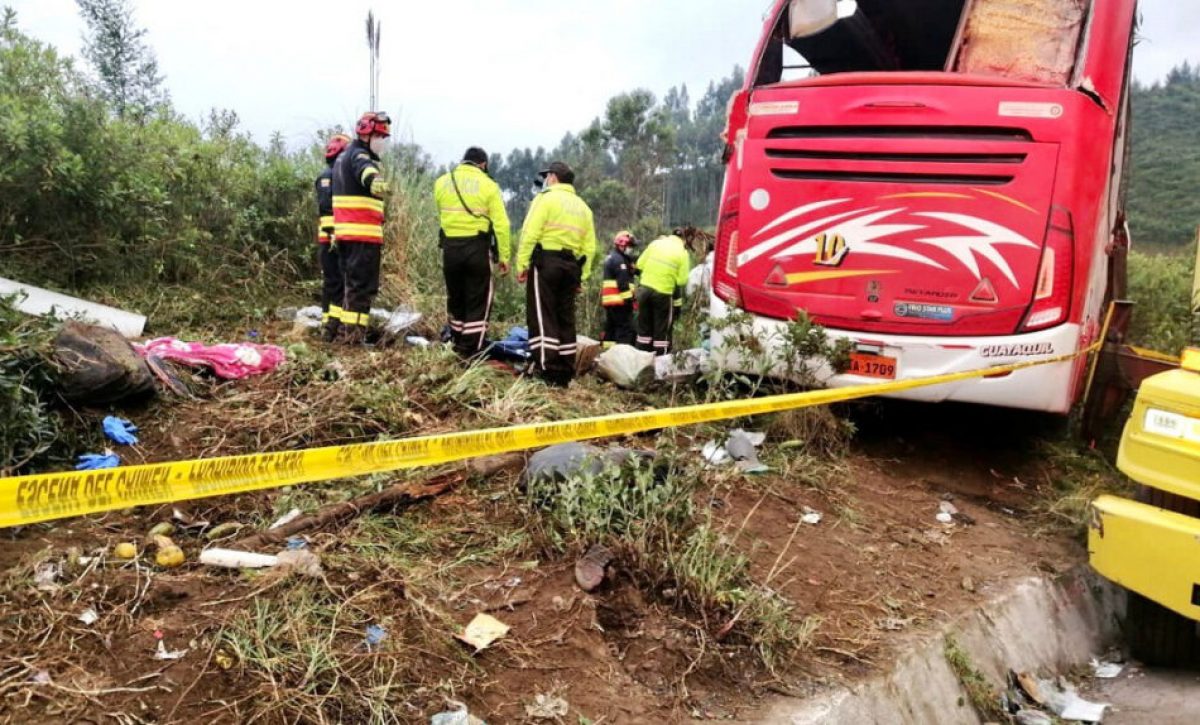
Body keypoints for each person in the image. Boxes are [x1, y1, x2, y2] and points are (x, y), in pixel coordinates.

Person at [516, 161, 597, 386]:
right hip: (571, 266)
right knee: (565, 317)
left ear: (553, 177)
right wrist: (582, 276)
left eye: (546, 177)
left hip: (546, 263)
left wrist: (522, 265)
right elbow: (590, 248)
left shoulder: (545, 199)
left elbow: (529, 234)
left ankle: (546, 366)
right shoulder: (584, 208)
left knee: (543, 315)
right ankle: (565, 369)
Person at [433, 147, 512, 357]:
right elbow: (502, 225)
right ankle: (470, 351)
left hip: (450, 249)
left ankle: (457, 342)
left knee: (456, 297)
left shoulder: (441, 182)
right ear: (483, 164)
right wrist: (504, 256)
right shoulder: (489, 185)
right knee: (478, 299)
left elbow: (441, 215)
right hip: (477, 248)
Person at [332, 111, 391, 343]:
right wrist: (378, 183)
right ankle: (354, 338)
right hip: (362, 236)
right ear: (367, 135)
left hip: (348, 234)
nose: (382, 141)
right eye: (380, 136)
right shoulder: (359, 156)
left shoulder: (344, 156)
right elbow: (367, 174)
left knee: (352, 286)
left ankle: (346, 335)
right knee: (362, 288)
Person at [316, 133, 351, 342]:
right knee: (335, 283)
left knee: (333, 283)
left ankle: (330, 325)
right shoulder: (328, 177)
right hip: (331, 240)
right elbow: (326, 209)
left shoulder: (333, 175)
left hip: (332, 238)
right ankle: (331, 327)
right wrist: (334, 236)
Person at [635, 231, 692, 355]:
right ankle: (660, 363)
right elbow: (681, 280)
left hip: (644, 291)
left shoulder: (655, 243)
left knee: (644, 330)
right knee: (662, 331)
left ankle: (641, 360)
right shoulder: (682, 252)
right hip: (663, 294)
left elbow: (639, 264)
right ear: (683, 240)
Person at [599, 230, 638, 347]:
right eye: (630, 247)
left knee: (610, 330)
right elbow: (622, 283)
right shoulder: (619, 261)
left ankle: (607, 353)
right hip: (620, 302)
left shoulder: (612, 258)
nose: (631, 249)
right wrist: (629, 301)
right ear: (622, 245)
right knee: (624, 330)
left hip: (610, 302)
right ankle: (622, 357)